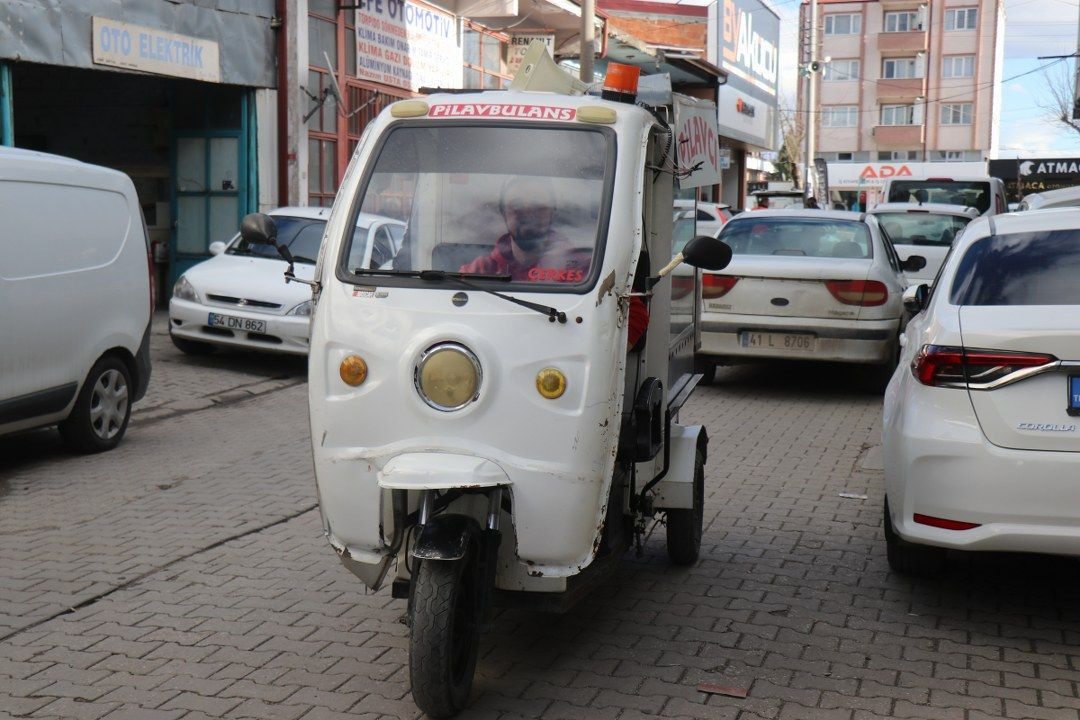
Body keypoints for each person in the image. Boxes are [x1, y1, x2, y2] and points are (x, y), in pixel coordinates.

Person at [460, 177, 648, 349]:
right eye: (516, 206)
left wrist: (603, 362)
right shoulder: (479, 270)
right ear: (503, 212)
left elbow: (636, 315)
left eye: (538, 206)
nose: (528, 214)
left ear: (552, 212)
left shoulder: (585, 267)